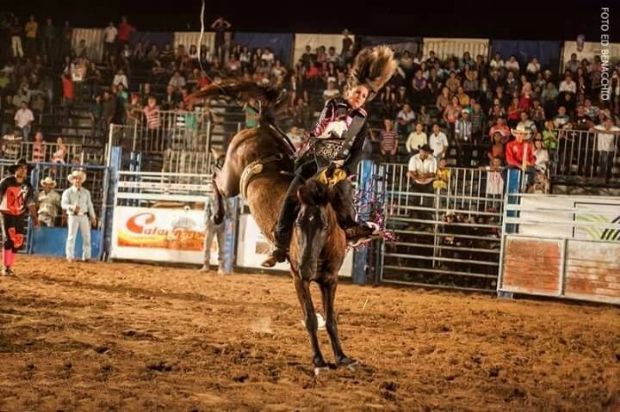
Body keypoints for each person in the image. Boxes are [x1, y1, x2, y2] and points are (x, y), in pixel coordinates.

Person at [262, 45, 396, 268]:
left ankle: (350, 230)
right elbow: (325, 129)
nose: (360, 97)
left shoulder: (362, 118)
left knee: (345, 198)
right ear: (349, 90)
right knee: (290, 200)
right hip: (315, 163)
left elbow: (359, 150)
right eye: (357, 93)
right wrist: (328, 166)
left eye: (363, 96)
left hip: (337, 169)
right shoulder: (334, 104)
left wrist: (345, 170)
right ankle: (279, 246)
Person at [0, 159, 40, 276]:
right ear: (15, 170)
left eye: (25, 168)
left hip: (19, 214)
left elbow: (30, 203)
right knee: (8, 239)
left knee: (18, 242)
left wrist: (35, 218)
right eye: (21, 168)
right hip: (6, 213)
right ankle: (6, 267)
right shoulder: (6, 182)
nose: (23, 170)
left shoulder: (28, 185)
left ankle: (9, 266)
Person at [61, 169, 97, 262]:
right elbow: (63, 204)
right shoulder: (67, 192)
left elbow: (89, 205)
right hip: (73, 216)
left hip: (84, 216)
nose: (77, 180)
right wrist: (72, 207)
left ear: (82, 180)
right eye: (76, 178)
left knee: (87, 236)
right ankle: (70, 256)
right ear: (72, 180)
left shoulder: (86, 192)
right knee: (71, 236)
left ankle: (87, 256)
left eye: (79, 178)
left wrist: (93, 216)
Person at [201, 195, 227, 275]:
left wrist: (230, 223)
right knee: (207, 245)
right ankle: (206, 265)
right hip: (211, 224)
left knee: (222, 247)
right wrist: (206, 223)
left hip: (222, 224)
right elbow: (206, 211)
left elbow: (230, 212)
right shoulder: (210, 198)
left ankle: (221, 267)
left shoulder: (225, 199)